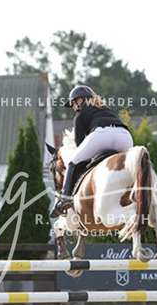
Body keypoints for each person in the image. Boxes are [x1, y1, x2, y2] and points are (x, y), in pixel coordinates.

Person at [50, 85, 134, 217]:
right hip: (125, 137)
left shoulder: (80, 111)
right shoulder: (105, 108)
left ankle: (65, 199)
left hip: (102, 135)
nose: (73, 107)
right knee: (130, 166)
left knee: (72, 162)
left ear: (80, 100)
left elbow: (79, 142)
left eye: (73, 103)